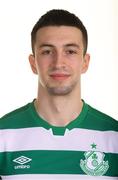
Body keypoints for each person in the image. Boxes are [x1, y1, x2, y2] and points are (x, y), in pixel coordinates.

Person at [0, 9, 118, 180]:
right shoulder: (3, 135)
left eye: (70, 51)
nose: (58, 62)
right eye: (47, 51)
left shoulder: (114, 138)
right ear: (33, 63)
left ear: (85, 62)